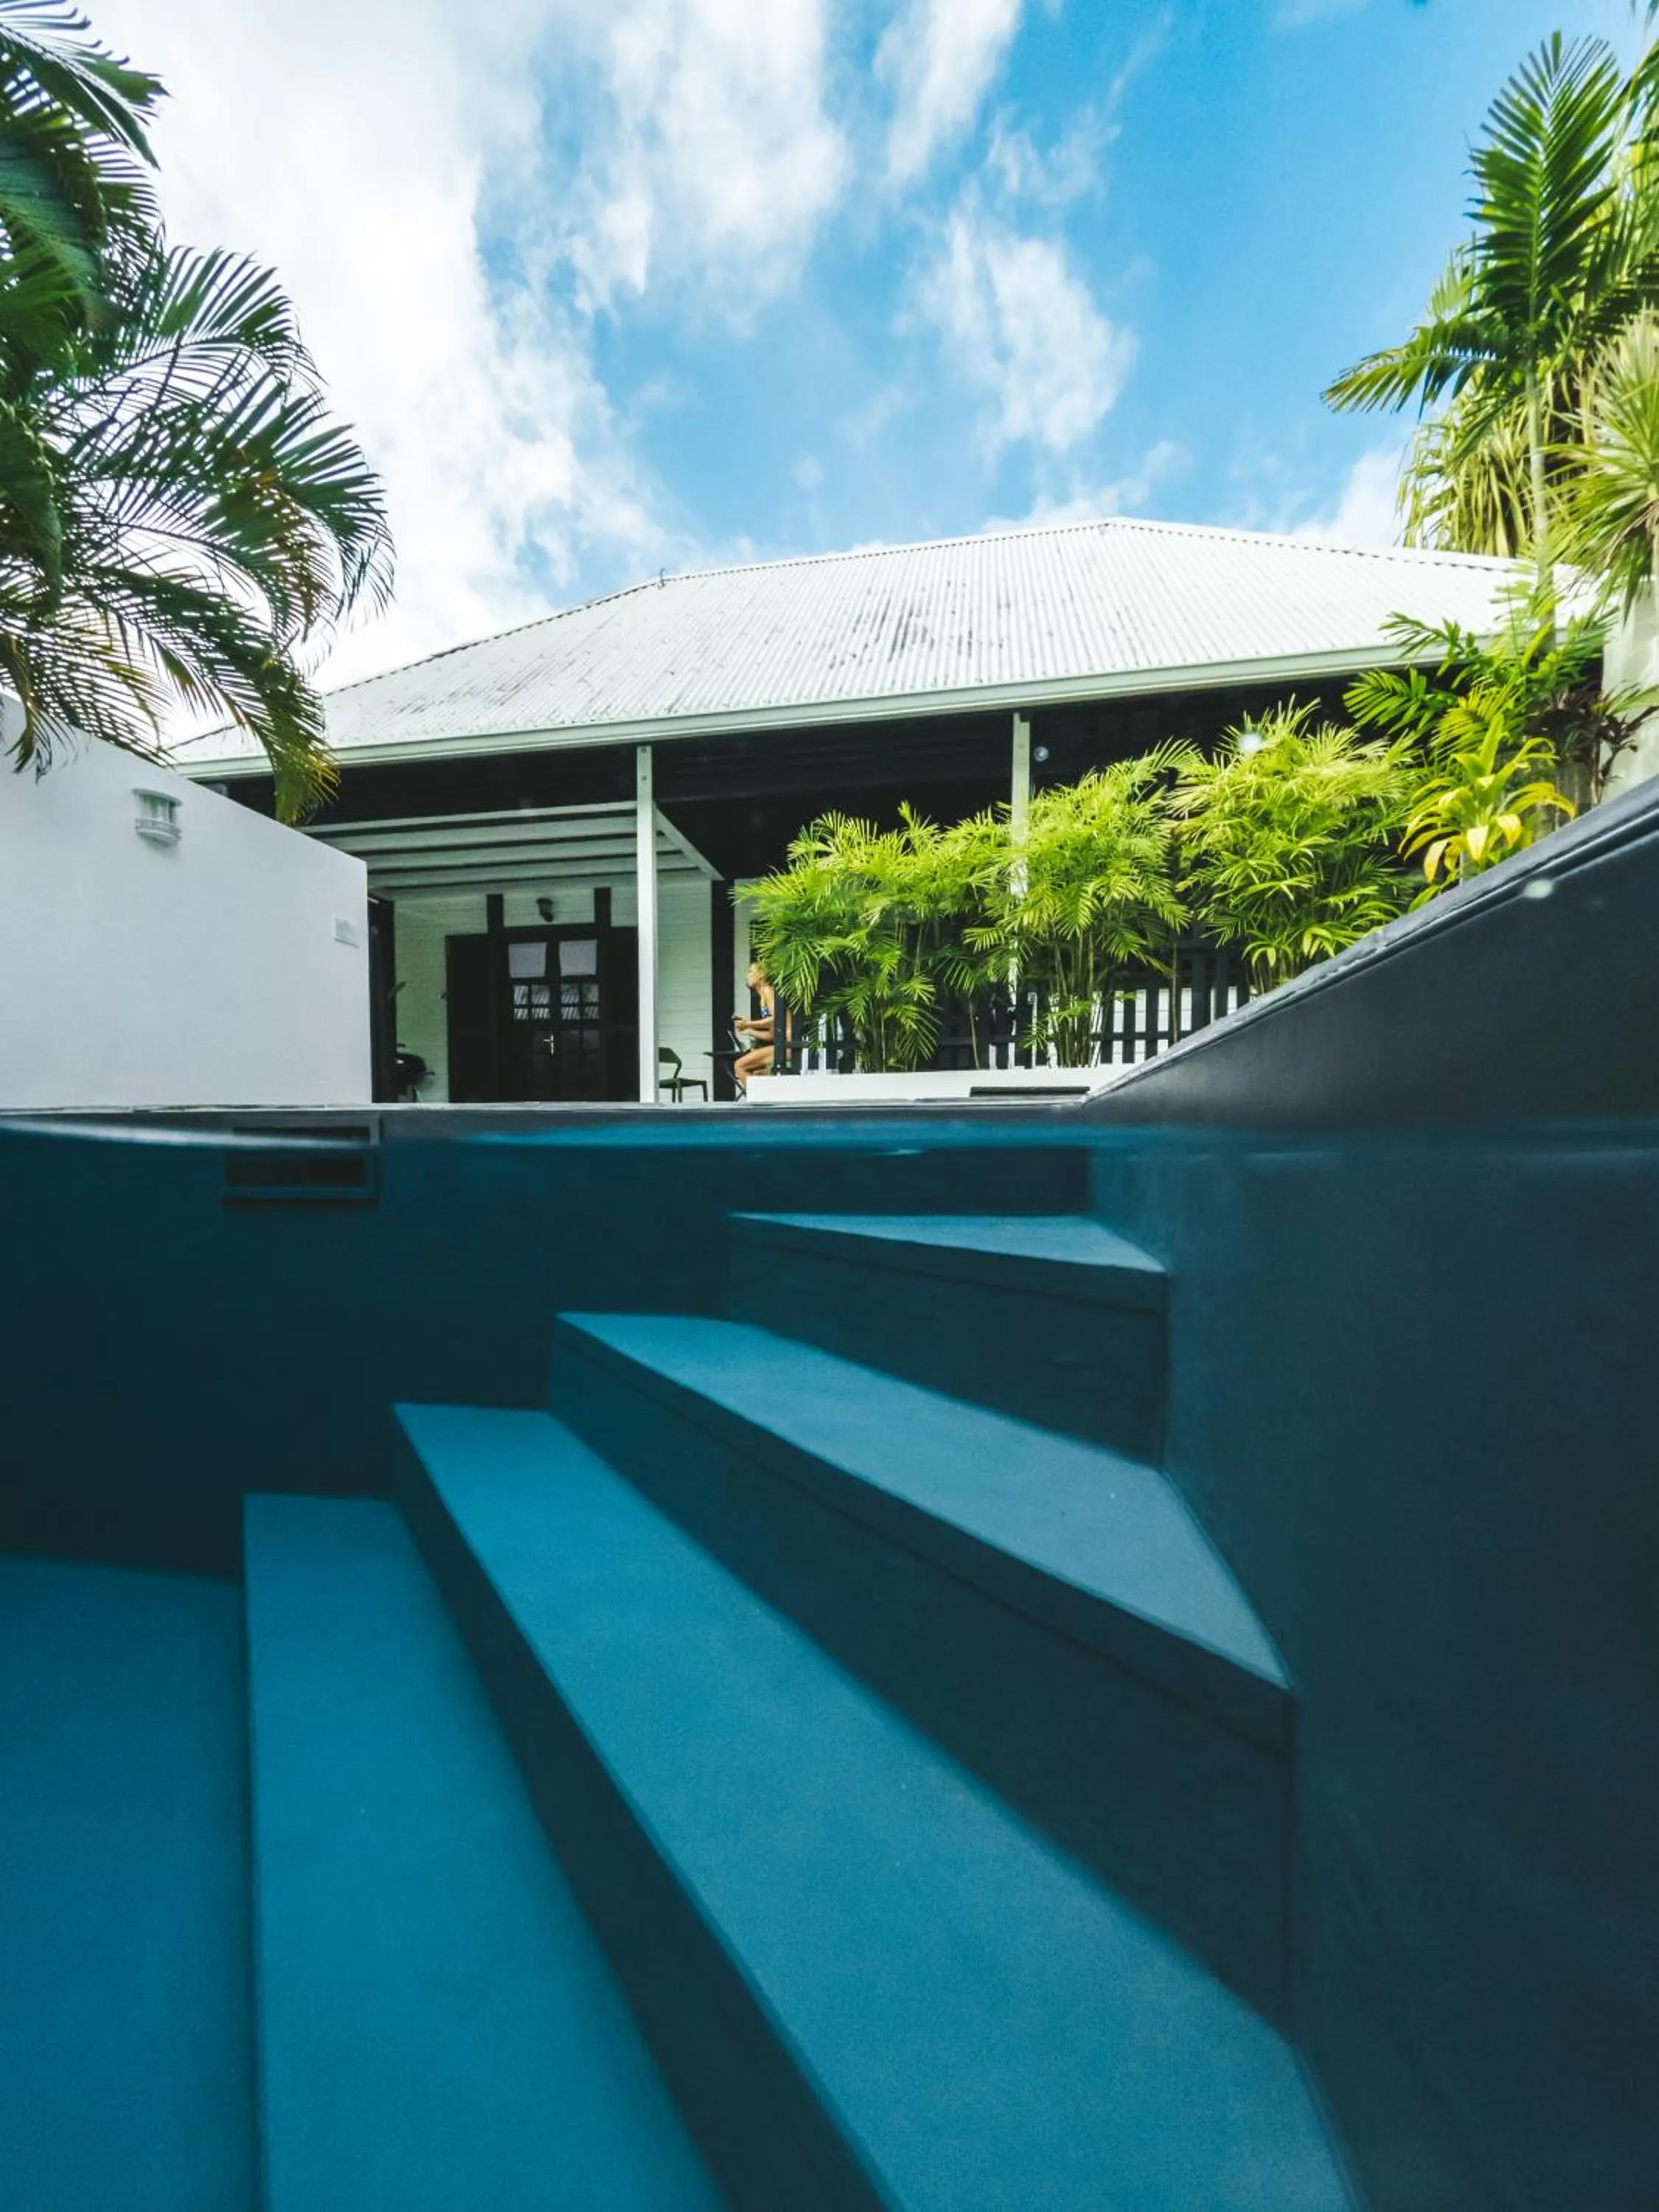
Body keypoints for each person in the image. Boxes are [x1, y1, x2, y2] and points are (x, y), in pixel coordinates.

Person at [733, 961, 777, 1092]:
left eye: (750, 972)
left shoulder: (768, 990)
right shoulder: (762, 996)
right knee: (756, 1073)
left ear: (762, 975)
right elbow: (772, 1035)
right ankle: (765, 1097)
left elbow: (777, 1019)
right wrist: (749, 1030)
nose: (747, 975)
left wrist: (749, 1024)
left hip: (787, 1046)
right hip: (780, 1044)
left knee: (739, 1066)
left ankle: (758, 1098)